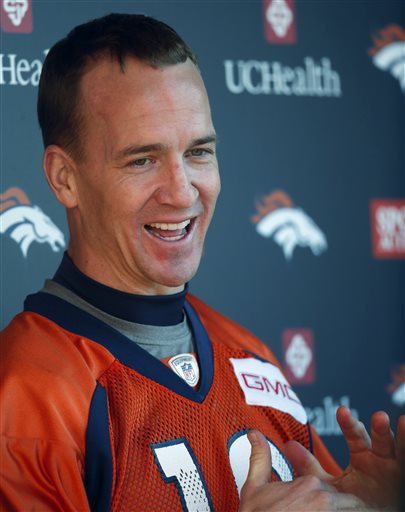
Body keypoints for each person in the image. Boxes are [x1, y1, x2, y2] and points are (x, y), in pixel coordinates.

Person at [1, 13, 403, 512]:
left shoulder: (249, 355)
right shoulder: (24, 395)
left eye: (198, 152)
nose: (183, 190)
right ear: (65, 178)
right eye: (142, 159)